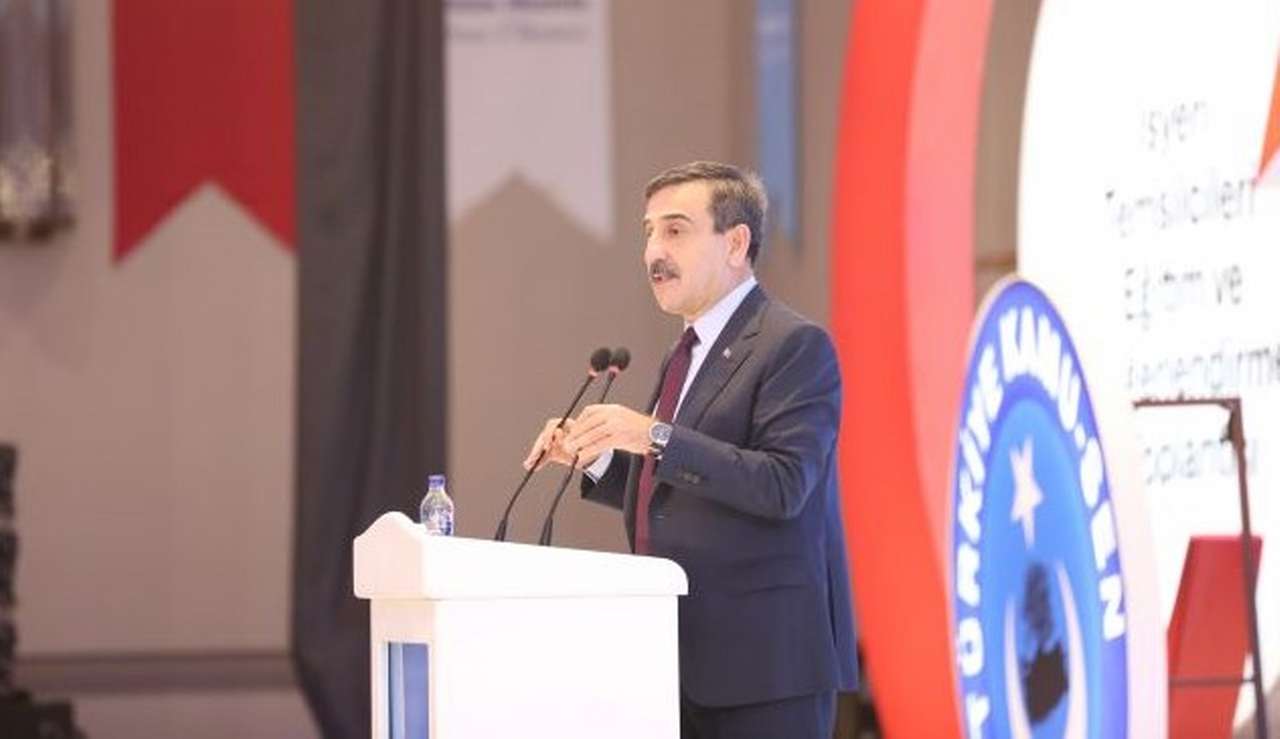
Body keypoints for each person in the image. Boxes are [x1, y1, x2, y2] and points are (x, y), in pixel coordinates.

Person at [523, 161, 858, 738]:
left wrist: (652, 434)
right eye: (648, 232)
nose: (653, 251)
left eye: (675, 230)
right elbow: (679, 494)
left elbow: (783, 486)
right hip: (675, 660)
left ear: (736, 243)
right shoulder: (686, 352)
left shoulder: (793, 345)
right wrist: (597, 457)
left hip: (765, 670)